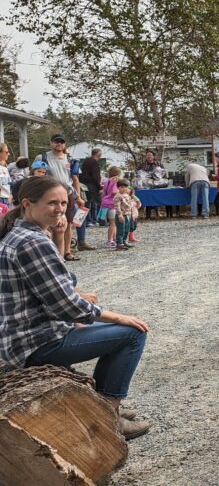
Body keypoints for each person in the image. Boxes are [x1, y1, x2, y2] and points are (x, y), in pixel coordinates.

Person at [0, 176, 151, 439]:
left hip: (20, 338)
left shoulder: (20, 234)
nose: (60, 209)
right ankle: (108, 416)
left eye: (63, 202)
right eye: (52, 203)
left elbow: (57, 282)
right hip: (36, 343)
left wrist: (59, 235)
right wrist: (119, 317)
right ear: (27, 204)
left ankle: (101, 405)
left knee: (109, 326)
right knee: (132, 333)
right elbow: (66, 304)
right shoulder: (32, 242)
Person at [36, 134, 92, 259]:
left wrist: (78, 197)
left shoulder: (70, 159)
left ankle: (67, 252)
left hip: (68, 195)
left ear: (65, 144)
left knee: (69, 223)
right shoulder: (43, 157)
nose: (59, 144)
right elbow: (35, 174)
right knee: (49, 223)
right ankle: (52, 252)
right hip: (49, 194)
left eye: (61, 142)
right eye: (56, 142)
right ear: (51, 143)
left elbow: (75, 178)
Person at [99, 166, 123, 249]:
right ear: (118, 173)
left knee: (113, 223)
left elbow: (103, 192)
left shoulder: (106, 181)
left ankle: (114, 239)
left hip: (105, 203)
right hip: (112, 204)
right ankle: (110, 240)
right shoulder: (116, 181)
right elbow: (114, 191)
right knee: (112, 224)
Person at [137, 150, 165, 219]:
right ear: (146, 156)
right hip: (146, 183)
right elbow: (137, 172)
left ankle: (157, 212)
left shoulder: (158, 164)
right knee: (148, 198)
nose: (149, 156)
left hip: (156, 183)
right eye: (147, 155)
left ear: (153, 156)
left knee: (156, 197)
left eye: (150, 155)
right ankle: (147, 214)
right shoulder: (142, 164)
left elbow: (163, 172)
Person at [80, 148, 102, 226]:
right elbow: (95, 176)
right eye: (100, 153)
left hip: (84, 184)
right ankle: (92, 220)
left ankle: (88, 220)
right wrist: (99, 187)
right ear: (98, 154)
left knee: (88, 202)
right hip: (92, 185)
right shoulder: (94, 162)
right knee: (93, 203)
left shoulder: (86, 161)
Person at [112, 179, 133, 251]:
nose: (124, 189)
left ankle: (124, 241)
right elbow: (117, 206)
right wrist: (119, 215)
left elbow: (130, 205)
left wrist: (131, 214)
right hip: (121, 215)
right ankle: (119, 244)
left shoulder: (127, 195)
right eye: (122, 187)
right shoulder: (118, 196)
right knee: (121, 229)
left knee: (127, 229)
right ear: (118, 188)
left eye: (125, 187)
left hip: (127, 215)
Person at [0, 142, 11, 208]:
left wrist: (10, 195)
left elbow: (8, 184)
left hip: (7, 200)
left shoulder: (5, 169)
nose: (8, 154)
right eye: (6, 152)